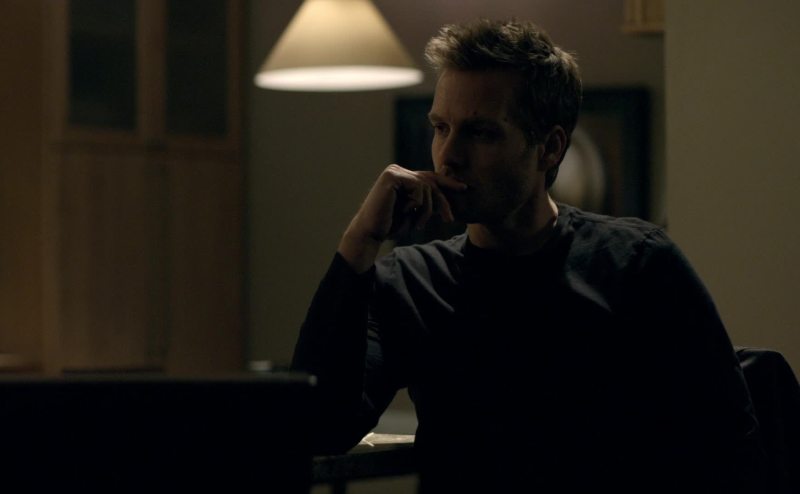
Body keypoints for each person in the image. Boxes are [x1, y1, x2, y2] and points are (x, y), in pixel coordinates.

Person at [292, 18, 768, 492]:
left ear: (550, 148)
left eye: (480, 133)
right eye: (441, 128)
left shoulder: (636, 264)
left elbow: (731, 452)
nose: (448, 156)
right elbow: (317, 429)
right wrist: (360, 241)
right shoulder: (413, 282)